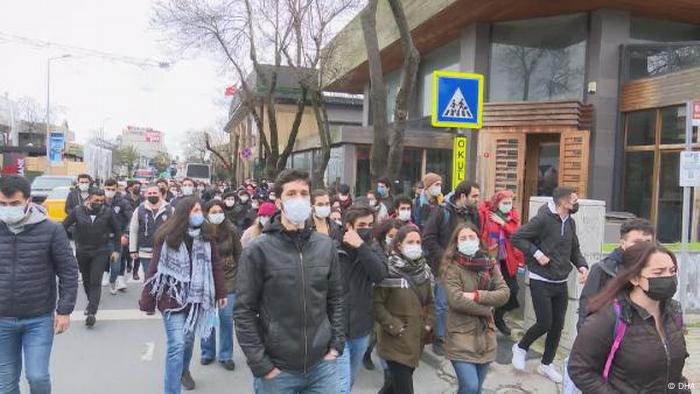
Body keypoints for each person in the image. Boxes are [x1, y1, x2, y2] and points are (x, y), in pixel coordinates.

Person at [234, 169, 345, 394]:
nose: (299, 199)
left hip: (322, 366)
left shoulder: (325, 246)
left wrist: (336, 345)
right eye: (291, 194)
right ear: (278, 201)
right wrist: (261, 364)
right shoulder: (258, 250)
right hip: (278, 370)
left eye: (304, 193)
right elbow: (244, 311)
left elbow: (336, 299)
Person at [568, 243, 689, 393]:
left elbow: (675, 373)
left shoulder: (674, 313)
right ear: (635, 278)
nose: (668, 278)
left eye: (672, 271)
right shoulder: (608, 318)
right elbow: (580, 370)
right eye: (658, 273)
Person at [139, 197, 227, 393]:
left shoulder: (206, 237)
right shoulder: (167, 237)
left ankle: (183, 371)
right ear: (183, 214)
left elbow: (215, 265)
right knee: (177, 344)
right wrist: (147, 301)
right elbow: (153, 269)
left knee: (187, 340)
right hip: (171, 298)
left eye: (200, 211)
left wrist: (221, 292)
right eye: (195, 210)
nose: (199, 215)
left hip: (196, 300)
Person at [0, 175, 78, 394]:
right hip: (2, 319)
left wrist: (64, 310)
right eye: (2, 204)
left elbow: (68, 271)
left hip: (38, 318)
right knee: (5, 383)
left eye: (14, 203)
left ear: (28, 201)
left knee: (37, 377)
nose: (7, 208)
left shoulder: (51, 230)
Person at [511, 186, 589, 383]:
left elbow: (574, 249)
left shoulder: (570, 222)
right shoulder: (543, 219)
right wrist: (537, 254)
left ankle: (546, 364)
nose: (576, 202)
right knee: (544, 322)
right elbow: (517, 237)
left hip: (560, 281)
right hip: (541, 279)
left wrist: (582, 267)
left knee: (557, 326)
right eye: (573, 199)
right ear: (562, 202)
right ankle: (521, 347)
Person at [442, 223, 510, 394]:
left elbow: (504, 293)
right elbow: (456, 300)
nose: (468, 241)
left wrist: (477, 296)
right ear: (456, 243)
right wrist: (488, 310)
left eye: (472, 237)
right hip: (460, 337)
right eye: (463, 238)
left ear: (479, 240)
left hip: (485, 337)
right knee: (470, 386)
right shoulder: (452, 268)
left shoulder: (490, 264)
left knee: (476, 388)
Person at [422, 180, 481, 356]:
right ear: (463, 196)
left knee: (462, 302)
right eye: (475, 196)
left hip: (468, 266)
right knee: (442, 304)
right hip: (445, 266)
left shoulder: (473, 214)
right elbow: (428, 238)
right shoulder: (442, 212)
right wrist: (446, 257)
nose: (478, 199)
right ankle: (439, 338)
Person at [374, 225, 434, 394]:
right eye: (410, 242)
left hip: (417, 339)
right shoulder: (387, 270)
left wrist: (429, 323)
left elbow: (430, 301)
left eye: (418, 242)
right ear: (399, 245)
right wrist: (395, 326)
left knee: (392, 387)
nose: (415, 245)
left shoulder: (424, 270)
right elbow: (376, 304)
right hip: (395, 341)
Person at [337, 205, 388, 393]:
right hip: (337, 329)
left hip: (361, 328)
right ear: (349, 226)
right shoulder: (332, 247)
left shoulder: (373, 248)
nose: (367, 228)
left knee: (349, 380)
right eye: (362, 225)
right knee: (341, 385)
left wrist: (361, 247)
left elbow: (380, 275)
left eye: (370, 224)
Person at [577, 218, 655, 330]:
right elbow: (586, 311)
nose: (643, 247)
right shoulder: (603, 270)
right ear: (623, 243)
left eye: (647, 242)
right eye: (637, 242)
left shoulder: (658, 269)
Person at [63, 188, 121, 327]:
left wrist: (116, 250)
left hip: (101, 250)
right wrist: (64, 246)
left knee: (96, 280)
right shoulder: (77, 211)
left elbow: (117, 231)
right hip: (82, 250)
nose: (99, 203)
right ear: (89, 199)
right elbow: (63, 227)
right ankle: (91, 302)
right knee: (87, 280)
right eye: (96, 200)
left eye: (102, 201)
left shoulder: (107, 212)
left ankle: (92, 313)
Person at [199, 200, 242, 371]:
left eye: (219, 211)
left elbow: (239, 253)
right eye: (213, 211)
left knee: (226, 318)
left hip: (229, 278)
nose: (217, 214)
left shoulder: (231, 230)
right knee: (208, 317)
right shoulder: (201, 231)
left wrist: (241, 276)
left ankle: (226, 355)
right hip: (207, 278)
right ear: (207, 213)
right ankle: (207, 352)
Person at [478, 190, 524, 336]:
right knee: (487, 291)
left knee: (513, 290)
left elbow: (517, 235)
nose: (508, 206)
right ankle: (485, 322)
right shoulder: (486, 214)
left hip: (507, 260)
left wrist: (503, 223)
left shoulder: (513, 217)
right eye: (504, 203)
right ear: (497, 203)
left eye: (510, 203)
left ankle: (498, 317)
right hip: (490, 258)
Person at [363, 218, 403, 372]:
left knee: (384, 337)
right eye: (391, 236)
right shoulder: (375, 249)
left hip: (395, 301)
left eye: (397, 236)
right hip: (377, 298)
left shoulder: (403, 252)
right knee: (373, 336)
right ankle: (366, 353)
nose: (394, 239)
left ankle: (389, 374)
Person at [129, 184, 174, 281]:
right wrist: (133, 249)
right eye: (150, 193)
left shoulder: (170, 210)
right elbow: (133, 230)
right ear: (145, 195)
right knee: (149, 277)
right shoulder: (139, 210)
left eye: (155, 193)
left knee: (163, 278)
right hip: (145, 251)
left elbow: (175, 230)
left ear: (160, 194)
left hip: (165, 251)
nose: (152, 195)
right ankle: (148, 296)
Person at [103, 178, 134, 293]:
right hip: (101, 237)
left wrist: (125, 234)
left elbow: (131, 220)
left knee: (117, 262)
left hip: (117, 237)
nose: (110, 191)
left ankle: (116, 280)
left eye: (112, 189)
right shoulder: (99, 200)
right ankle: (104, 277)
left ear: (117, 189)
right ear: (104, 188)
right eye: (108, 189)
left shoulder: (123, 202)